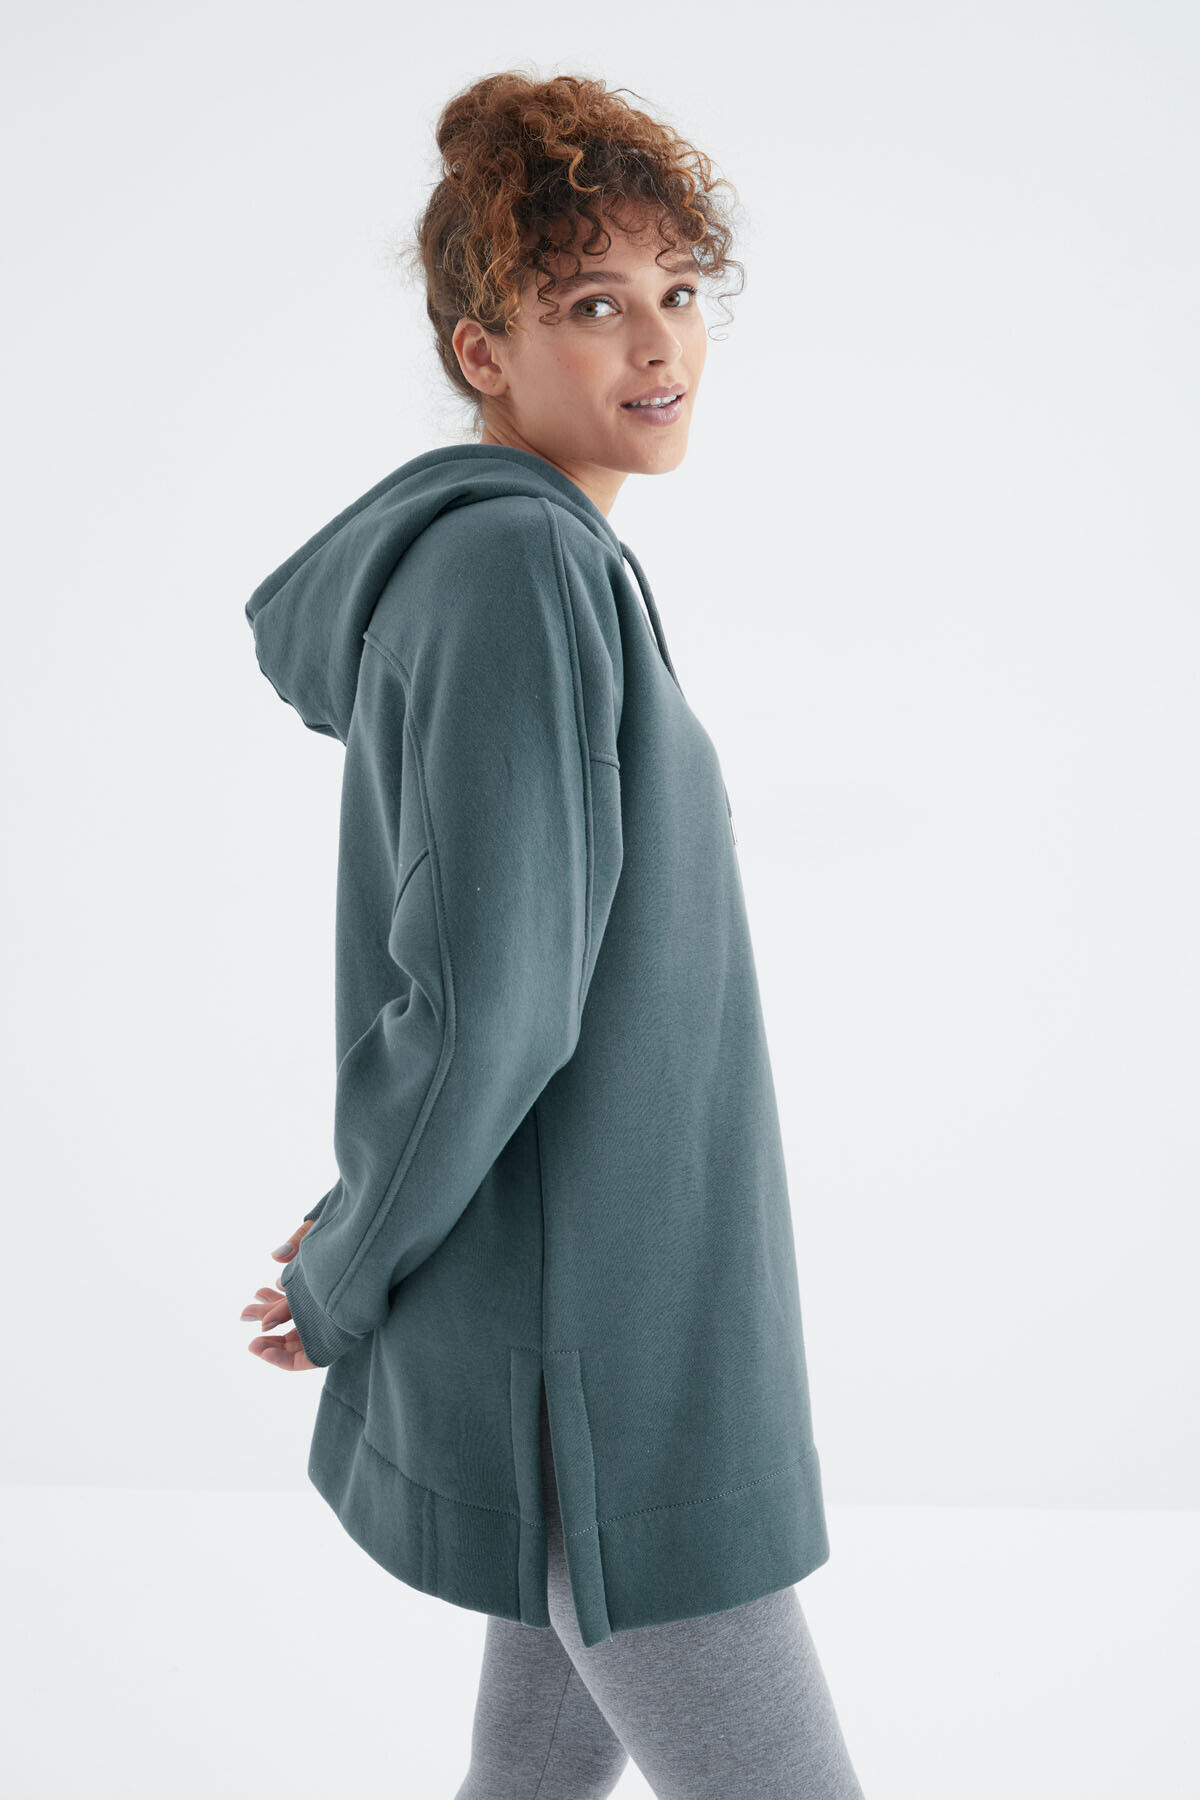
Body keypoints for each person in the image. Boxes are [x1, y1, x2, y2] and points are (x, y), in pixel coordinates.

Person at [240, 68, 866, 1799]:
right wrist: (348, 1267)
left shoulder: (547, 564)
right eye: (592, 304)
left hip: (605, 1309)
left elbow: (493, 980)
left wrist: (364, 1228)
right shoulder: (516, 572)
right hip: (604, 1345)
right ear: (483, 352)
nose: (659, 344)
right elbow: (490, 1004)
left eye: (680, 291)